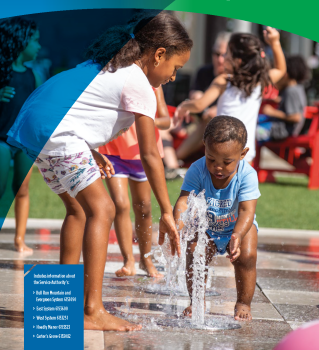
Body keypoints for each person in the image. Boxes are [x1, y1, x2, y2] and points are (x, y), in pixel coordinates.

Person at [6, 12, 192, 331]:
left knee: (78, 211)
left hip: (38, 129)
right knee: (102, 209)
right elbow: (150, 153)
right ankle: (91, 310)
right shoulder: (138, 82)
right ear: (159, 54)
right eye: (175, 68)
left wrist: (91, 151)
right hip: (57, 134)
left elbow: (73, 105)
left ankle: (65, 300)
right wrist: (166, 212)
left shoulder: (110, 65)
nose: (174, 77)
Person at [174, 116, 260, 321]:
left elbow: (247, 211)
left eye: (227, 162)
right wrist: (178, 227)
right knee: (195, 253)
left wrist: (237, 234)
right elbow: (184, 201)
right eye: (211, 159)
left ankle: (243, 302)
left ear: (243, 154)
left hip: (238, 227)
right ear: (204, 147)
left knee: (247, 257)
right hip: (207, 227)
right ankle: (197, 301)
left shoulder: (247, 175)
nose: (218, 167)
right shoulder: (197, 169)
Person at [175, 27, 286, 164]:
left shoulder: (224, 81)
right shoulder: (258, 82)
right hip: (245, 152)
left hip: (221, 149)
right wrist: (275, 42)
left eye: (227, 53)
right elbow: (281, 69)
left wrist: (184, 106)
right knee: (240, 185)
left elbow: (199, 105)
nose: (223, 57)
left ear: (237, 61)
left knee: (215, 184)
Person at [99, 86, 170, 278]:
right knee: (120, 205)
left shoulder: (154, 85)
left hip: (141, 152)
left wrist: (145, 120)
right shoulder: (115, 80)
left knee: (143, 207)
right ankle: (128, 261)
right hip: (112, 150)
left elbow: (166, 121)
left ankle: (145, 260)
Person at [160, 32, 231, 172]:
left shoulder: (231, 79)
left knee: (209, 121)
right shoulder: (204, 72)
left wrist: (197, 104)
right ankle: (173, 167)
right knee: (162, 126)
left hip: (214, 128)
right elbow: (195, 99)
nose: (220, 59)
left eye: (224, 55)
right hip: (192, 120)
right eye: (216, 54)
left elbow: (201, 105)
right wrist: (195, 101)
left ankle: (173, 162)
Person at [0, 17, 42, 252]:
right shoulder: (2, 73)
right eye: (35, 41)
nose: (38, 46)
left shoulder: (33, 76)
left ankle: (19, 239)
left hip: (24, 142)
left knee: (22, 189)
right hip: (2, 140)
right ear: (20, 40)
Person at [257, 55, 308, 142]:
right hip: (282, 129)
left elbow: (296, 117)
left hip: (281, 131)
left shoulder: (291, 91)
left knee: (250, 131)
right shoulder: (297, 88)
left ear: (284, 75)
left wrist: (273, 112)